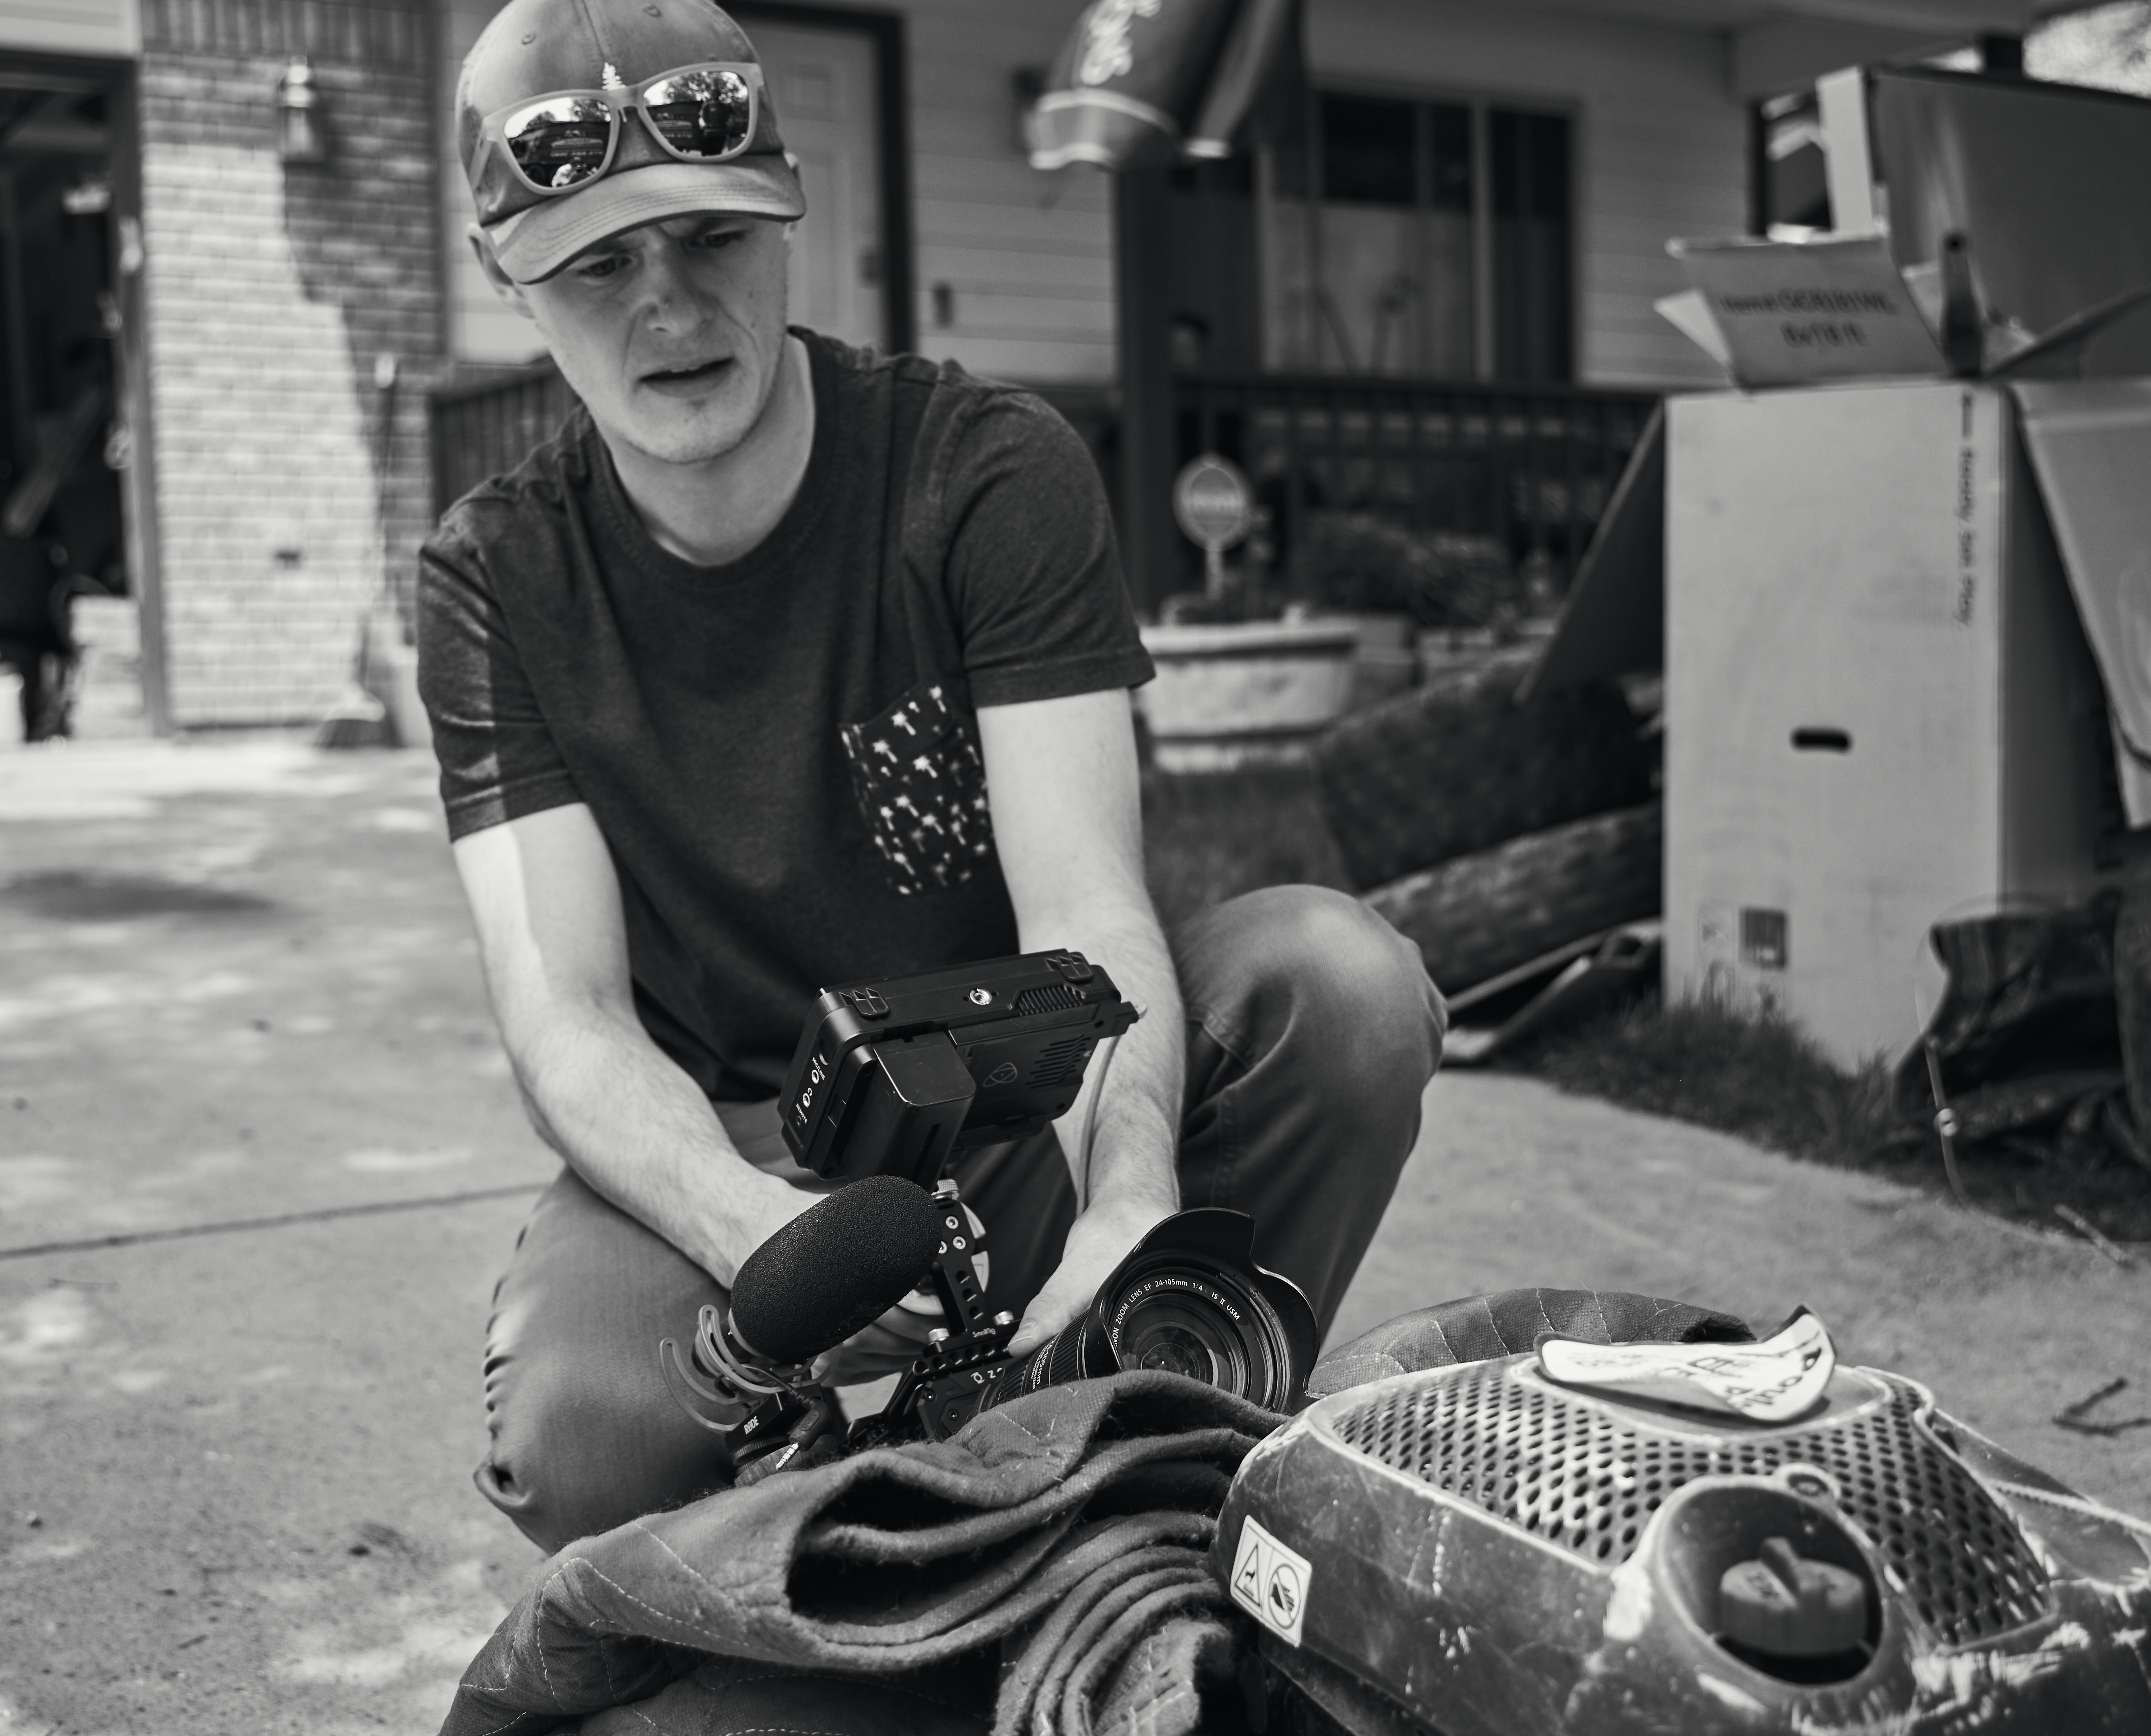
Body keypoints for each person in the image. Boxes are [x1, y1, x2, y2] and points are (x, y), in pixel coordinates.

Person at [423, 0, 1445, 1555]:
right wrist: (772, 1244)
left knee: (1344, 986)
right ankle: (899, 1486)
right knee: (588, 1443)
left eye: (712, 236)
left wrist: (1131, 1191)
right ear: (510, 279)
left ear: (788, 215)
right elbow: (566, 1013)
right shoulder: (494, 576)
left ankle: (1140, 1428)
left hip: (1018, 1095)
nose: (670, 305)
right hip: (725, 1134)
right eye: (599, 263)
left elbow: (1088, 907)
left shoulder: (988, 470)